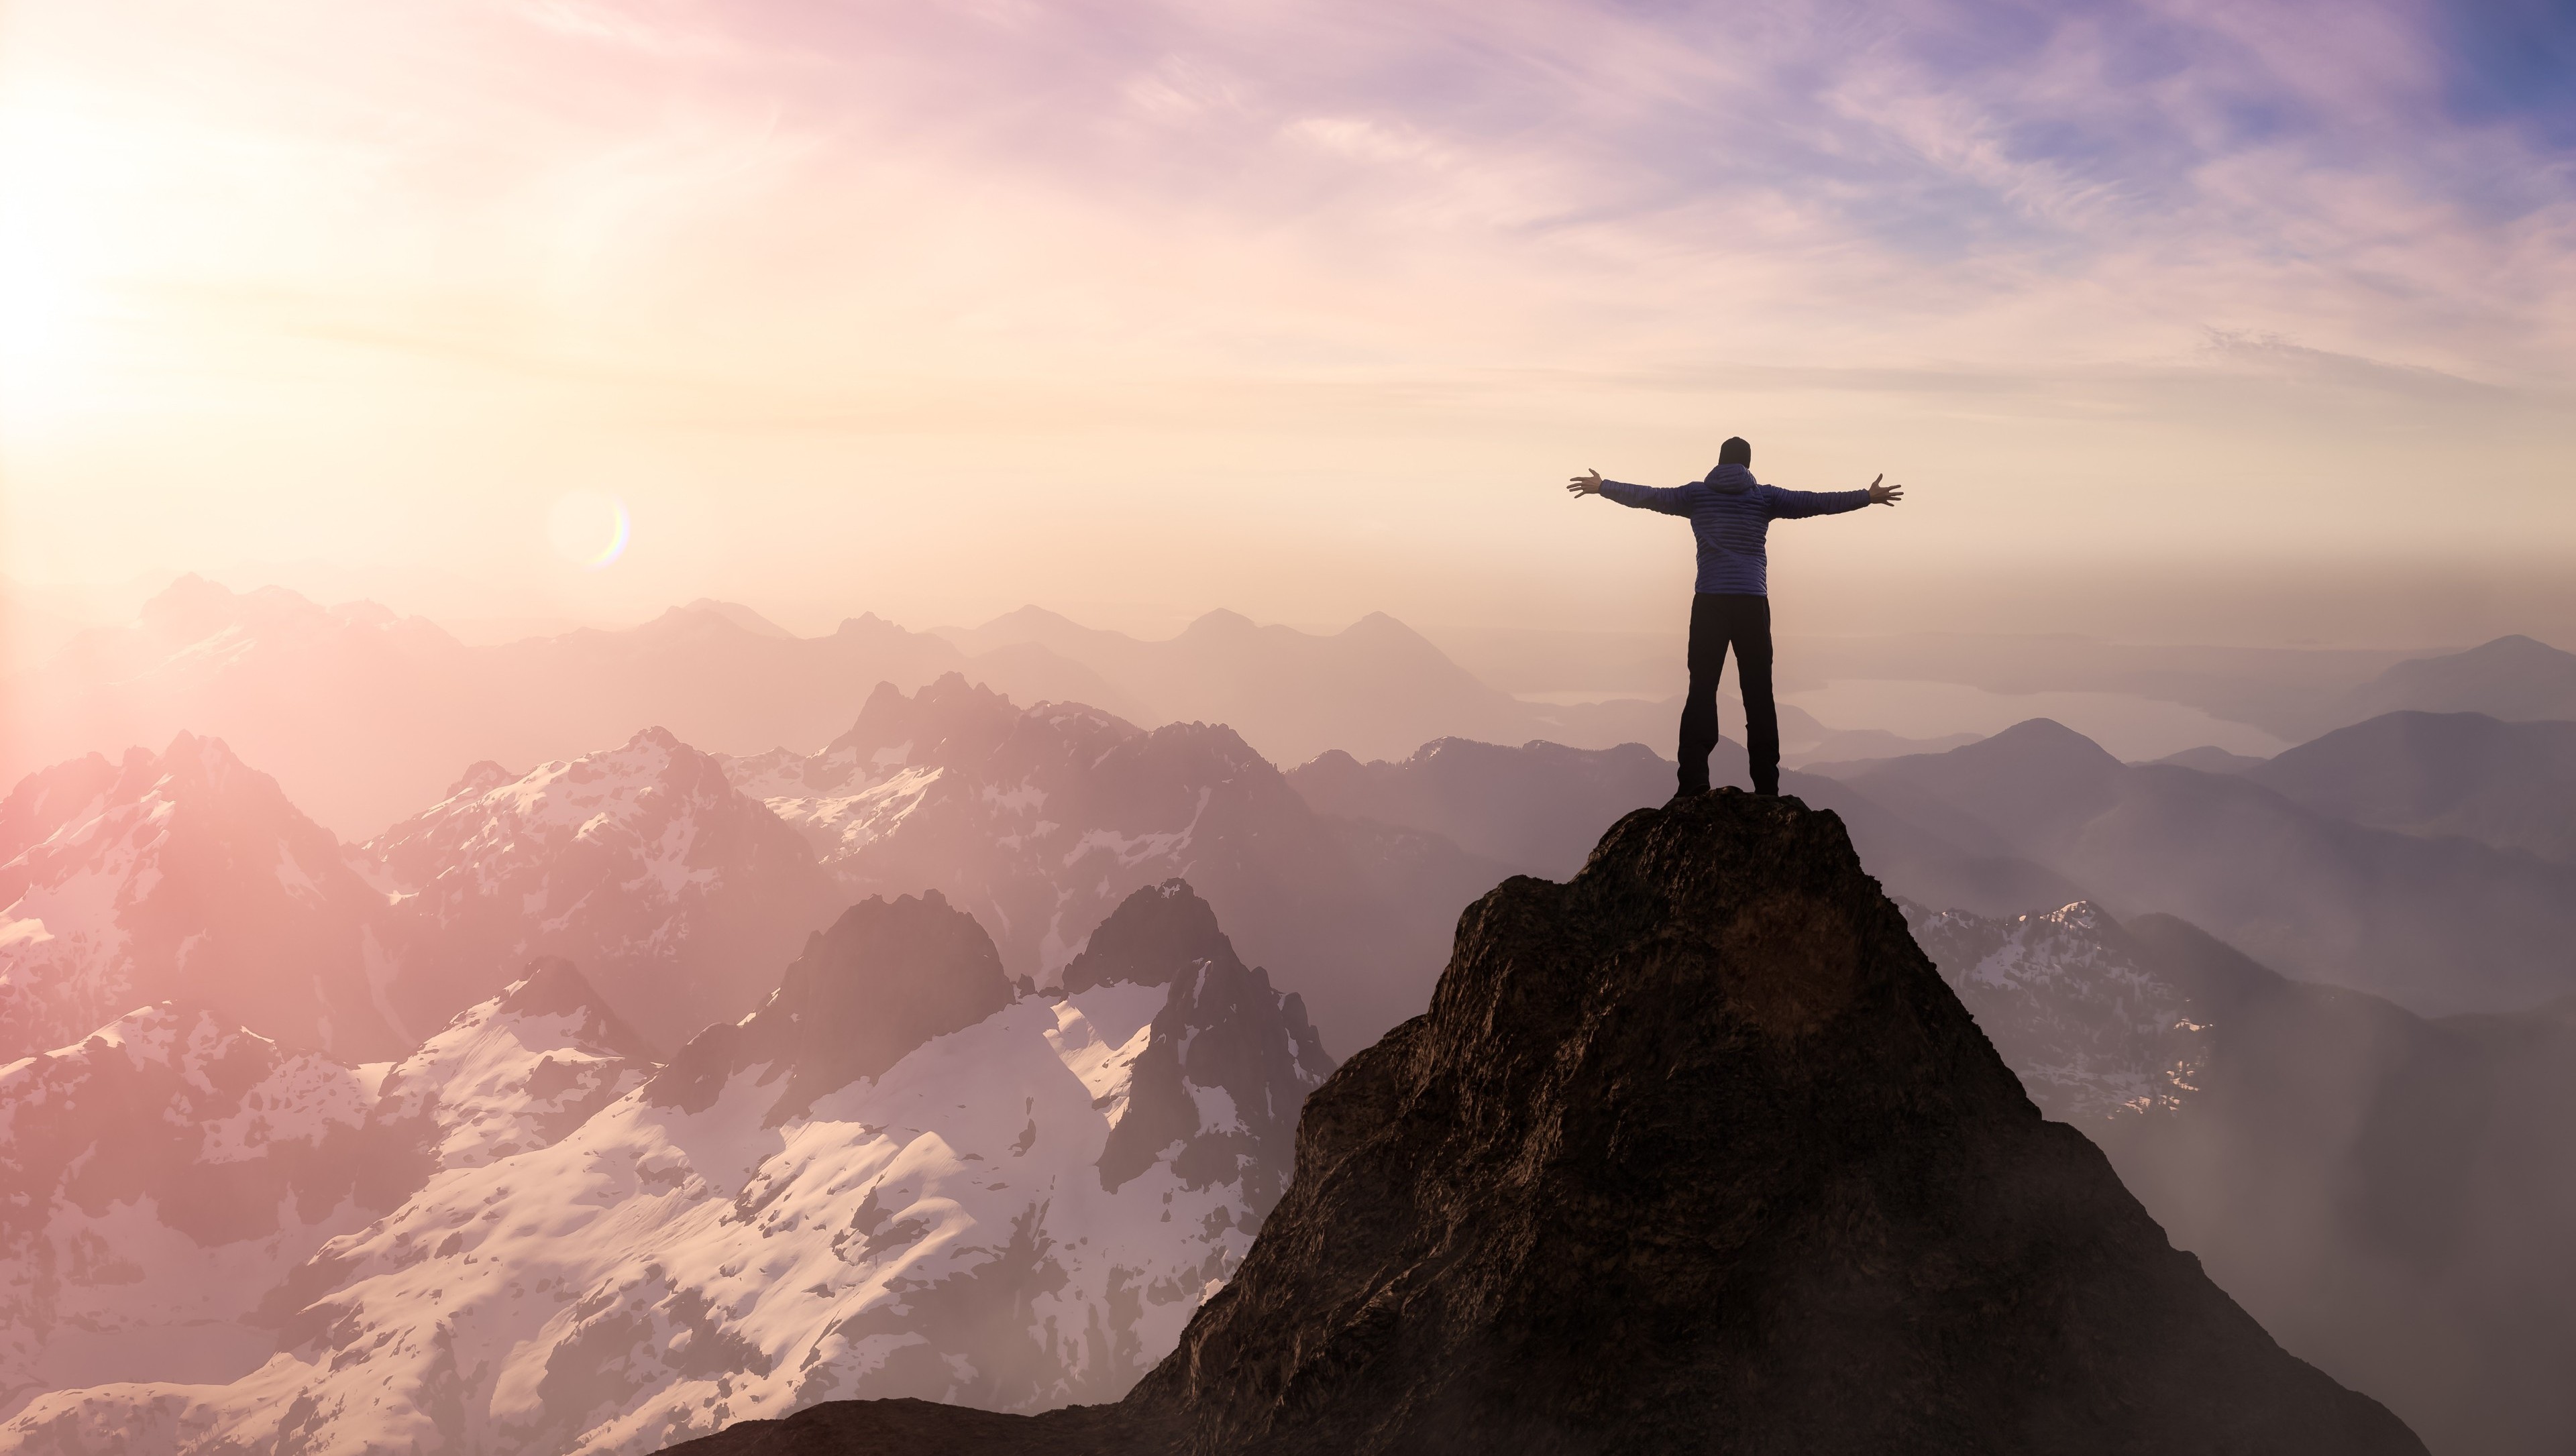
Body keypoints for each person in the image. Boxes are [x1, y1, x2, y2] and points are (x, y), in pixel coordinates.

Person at [1568, 435, 1902, 797]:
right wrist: (1865, 497)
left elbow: (1649, 496)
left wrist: (1604, 487)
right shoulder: (1764, 496)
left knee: (1702, 691)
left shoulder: (1696, 494)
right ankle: (1767, 787)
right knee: (1758, 694)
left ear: (1719, 462)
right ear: (1747, 465)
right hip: (1751, 604)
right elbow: (1816, 503)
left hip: (1710, 601)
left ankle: (1693, 782)